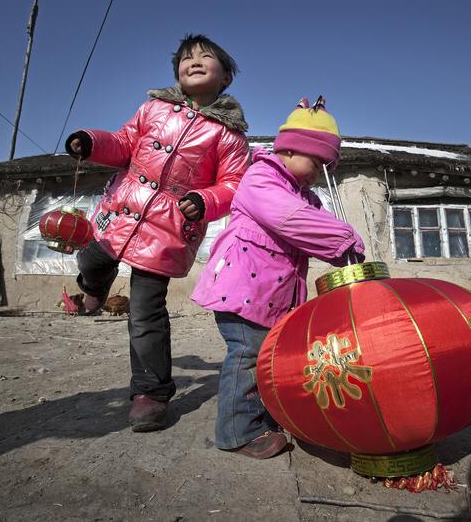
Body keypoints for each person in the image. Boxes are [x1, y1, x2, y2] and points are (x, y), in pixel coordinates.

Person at [64, 34, 251, 432]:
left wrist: (205, 199)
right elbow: (124, 143)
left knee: (146, 311)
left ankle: (150, 393)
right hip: (120, 211)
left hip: (168, 229)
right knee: (91, 259)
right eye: (186, 58)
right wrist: (91, 142)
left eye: (205, 57)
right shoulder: (154, 109)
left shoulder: (229, 135)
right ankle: (93, 289)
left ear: (226, 77)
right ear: (177, 74)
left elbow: (234, 184)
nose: (193, 61)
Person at [191, 97, 366, 458]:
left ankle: (266, 418)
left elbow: (316, 223)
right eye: (316, 162)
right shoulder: (261, 179)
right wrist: (344, 239)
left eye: (326, 166)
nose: (319, 172)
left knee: (269, 359)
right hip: (243, 293)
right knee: (248, 356)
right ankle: (237, 432)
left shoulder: (304, 196)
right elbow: (293, 220)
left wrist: (344, 253)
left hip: (271, 299)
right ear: (290, 149)